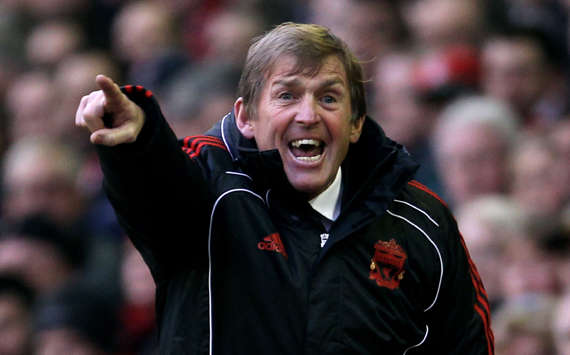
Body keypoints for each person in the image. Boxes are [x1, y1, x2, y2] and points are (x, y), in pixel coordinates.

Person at [76, 22, 493, 354]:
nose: (308, 114)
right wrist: (137, 141)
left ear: (355, 123)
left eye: (329, 98)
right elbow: (156, 191)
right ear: (246, 117)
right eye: (287, 95)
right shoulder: (209, 191)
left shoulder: (422, 223)